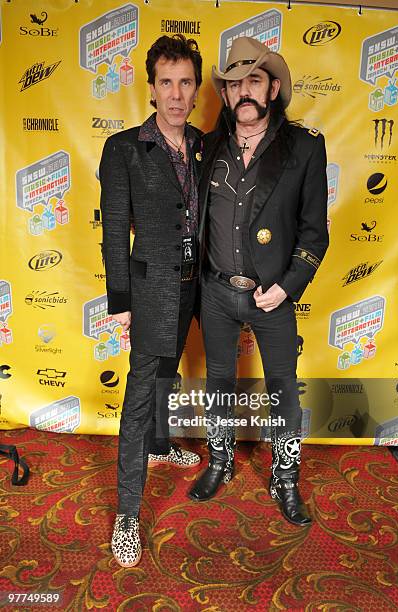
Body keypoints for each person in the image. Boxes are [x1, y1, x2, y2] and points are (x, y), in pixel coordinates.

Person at [188, 37, 329, 526]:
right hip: (217, 292)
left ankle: (285, 477)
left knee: (283, 388)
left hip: (275, 295)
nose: (244, 92)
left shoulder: (305, 148)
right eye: (234, 84)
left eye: (254, 81)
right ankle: (221, 461)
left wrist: (288, 285)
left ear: (272, 89)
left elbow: (315, 233)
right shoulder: (205, 147)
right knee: (220, 383)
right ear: (225, 95)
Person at [99, 34, 203, 567]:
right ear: (152, 88)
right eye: (167, 82)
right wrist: (122, 298)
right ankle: (126, 514)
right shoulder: (123, 148)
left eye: (186, 82)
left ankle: (162, 446)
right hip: (150, 286)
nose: (177, 94)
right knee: (139, 395)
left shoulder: (206, 144)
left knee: (169, 372)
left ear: (196, 87)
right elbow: (116, 226)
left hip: (195, 286)